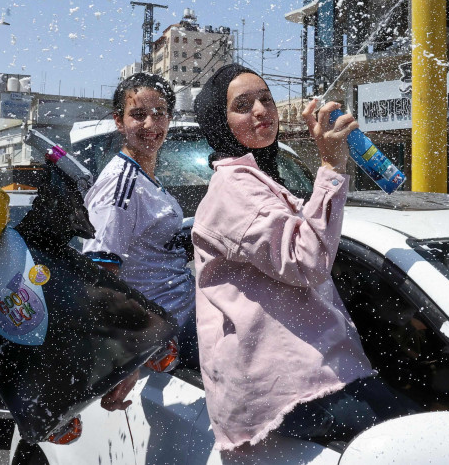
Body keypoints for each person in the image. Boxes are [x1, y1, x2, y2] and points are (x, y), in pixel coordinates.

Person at [191, 64, 416, 451]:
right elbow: (307, 259)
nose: (261, 110)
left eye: (266, 99)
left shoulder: (260, 177)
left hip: (320, 374)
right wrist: (330, 165)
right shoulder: (233, 187)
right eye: (243, 105)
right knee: (421, 435)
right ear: (219, 122)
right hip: (292, 389)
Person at [82, 73, 193, 410]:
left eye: (160, 113)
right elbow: (99, 278)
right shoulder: (120, 185)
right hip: (170, 340)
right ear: (119, 121)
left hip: (184, 322)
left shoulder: (146, 178)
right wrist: (129, 357)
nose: (151, 123)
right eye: (138, 114)